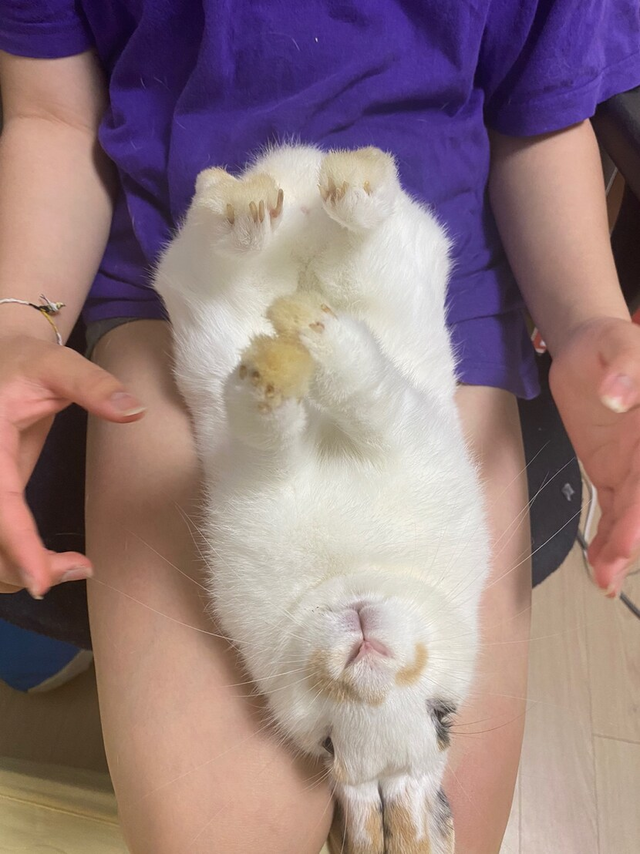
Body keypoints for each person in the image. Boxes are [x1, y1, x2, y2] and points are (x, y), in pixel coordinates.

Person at [0, 2, 639, 852]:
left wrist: (588, 319)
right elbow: (50, 114)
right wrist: (19, 322)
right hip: (192, 244)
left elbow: (544, 117)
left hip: (416, 257)